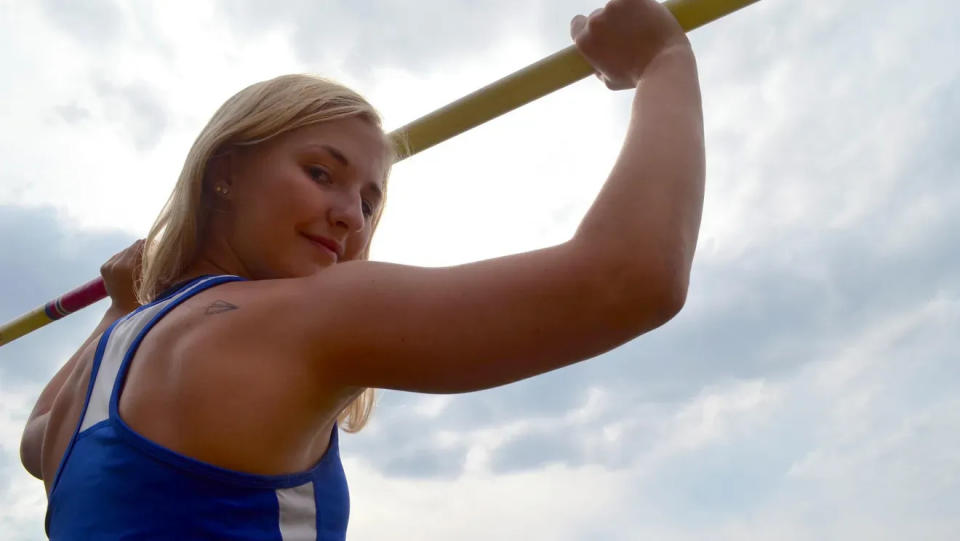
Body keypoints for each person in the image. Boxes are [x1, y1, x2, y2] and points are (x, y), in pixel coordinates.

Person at [19, 0, 705, 538]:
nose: (351, 214)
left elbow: (35, 437)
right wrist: (665, 59)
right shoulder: (294, 321)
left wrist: (118, 308)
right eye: (322, 172)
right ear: (224, 170)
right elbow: (630, 277)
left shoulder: (90, 384)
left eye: (369, 199)